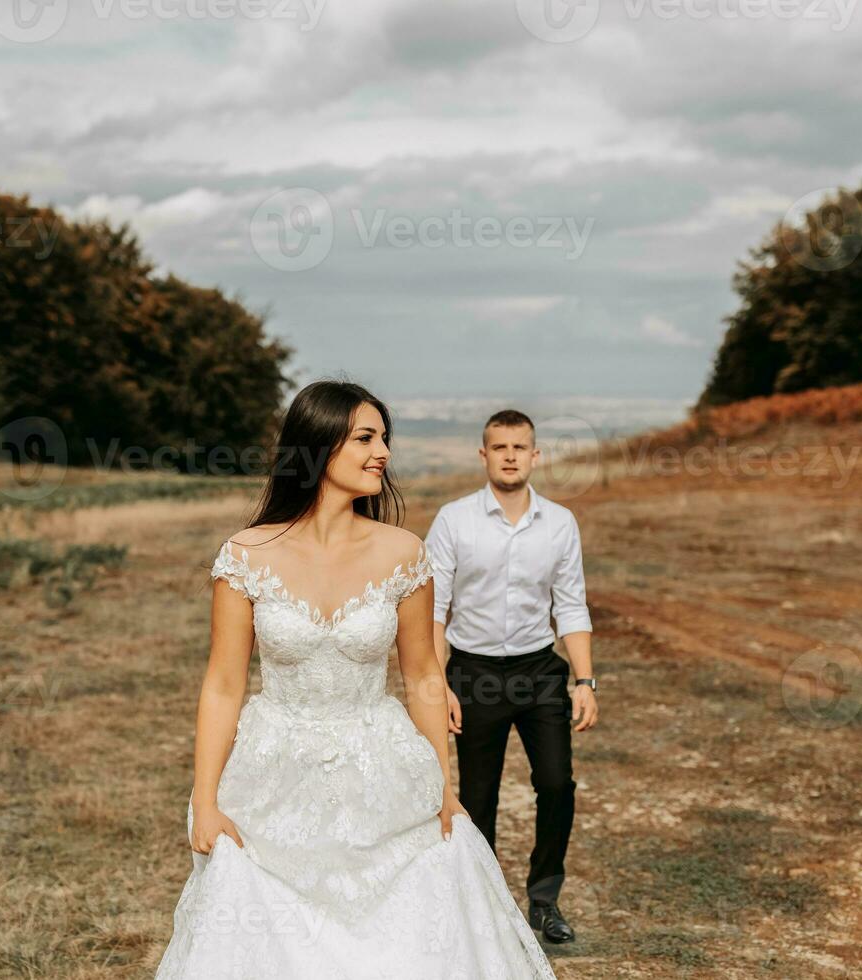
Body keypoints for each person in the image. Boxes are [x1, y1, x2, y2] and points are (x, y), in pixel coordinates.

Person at [154, 380, 556, 979]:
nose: (383, 452)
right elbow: (222, 685)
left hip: (382, 771)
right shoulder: (245, 555)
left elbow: (422, 677)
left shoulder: (403, 553)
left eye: (385, 438)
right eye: (366, 437)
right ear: (317, 447)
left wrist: (442, 790)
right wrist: (206, 800)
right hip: (271, 778)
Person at [424, 409, 598, 945]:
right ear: (483, 455)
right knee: (478, 797)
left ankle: (544, 902)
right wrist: (439, 683)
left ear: (535, 455)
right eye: (499, 447)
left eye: (519, 447)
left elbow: (571, 606)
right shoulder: (454, 520)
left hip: (539, 670)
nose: (509, 456)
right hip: (473, 673)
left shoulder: (561, 522)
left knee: (556, 784)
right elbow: (434, 610)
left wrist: (585, 682)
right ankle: (483, 907)